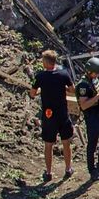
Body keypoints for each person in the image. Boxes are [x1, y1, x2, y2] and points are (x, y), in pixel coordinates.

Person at [28, 50, 74, 182]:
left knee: (48, 144)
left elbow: (32, 93)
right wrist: (61, 88)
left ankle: (48, 172)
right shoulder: (64, 74)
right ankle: (68, 169)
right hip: (63, 113)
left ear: (46, 62)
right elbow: (72, 90)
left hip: (49, 115)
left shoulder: (41, 76)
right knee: (66, 142)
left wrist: (42, 90)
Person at [76, 57, 99, 178]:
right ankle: (92, 169)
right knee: (92, 143)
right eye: (95, 72)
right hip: (92, 116)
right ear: (89, 71)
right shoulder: (83, 85)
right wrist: (98, 97)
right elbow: (84, 105)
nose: (97, 75)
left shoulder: (95, 80)